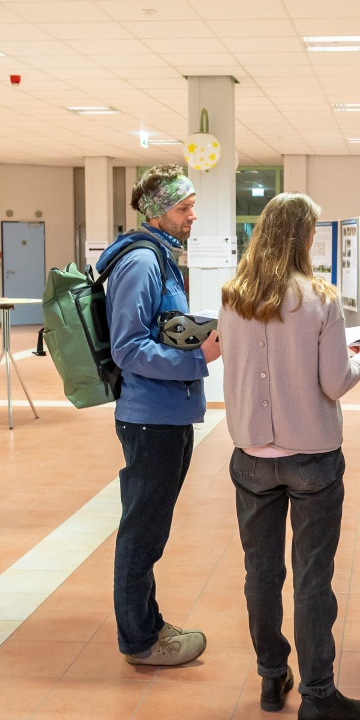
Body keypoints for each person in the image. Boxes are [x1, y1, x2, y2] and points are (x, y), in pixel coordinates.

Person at [220, 193, 360, 720]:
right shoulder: (319, 298)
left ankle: (271, 676)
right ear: (304, 237)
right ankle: (318, 697)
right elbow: (333, 382)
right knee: (313, 578)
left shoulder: (233, 297)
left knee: (260, 574)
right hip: (311, 456)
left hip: (251, 458)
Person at [98, 165, 220, 667]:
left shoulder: (160, 257)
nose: (192, 216)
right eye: (183, 208)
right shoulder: (143, 263)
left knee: (150, 528)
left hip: (166, 414)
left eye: (192, 205)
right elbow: (128, 348)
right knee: (143, 530)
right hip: (151, 419)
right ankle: (141, 639)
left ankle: (145, 623)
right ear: (156, 212)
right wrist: (199, 358)